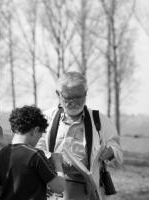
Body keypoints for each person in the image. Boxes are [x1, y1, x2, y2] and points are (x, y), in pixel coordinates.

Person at [36, 71, 123, 200]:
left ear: (86, 93)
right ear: (58, 94)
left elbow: (118, 154)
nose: (74, 102)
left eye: (79, 96)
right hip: (54, 190)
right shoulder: (44, 119)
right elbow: (35, 150)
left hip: (89, 190)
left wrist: (111, 152)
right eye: (68, 98)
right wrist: (53, 160)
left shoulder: (100, 120)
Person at [0, 106, 65, 200]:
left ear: (12, 129)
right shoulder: (35, 155)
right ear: (35, 131)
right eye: (40, 136)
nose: (38, 141)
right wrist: (57, 162)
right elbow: (59, 187)